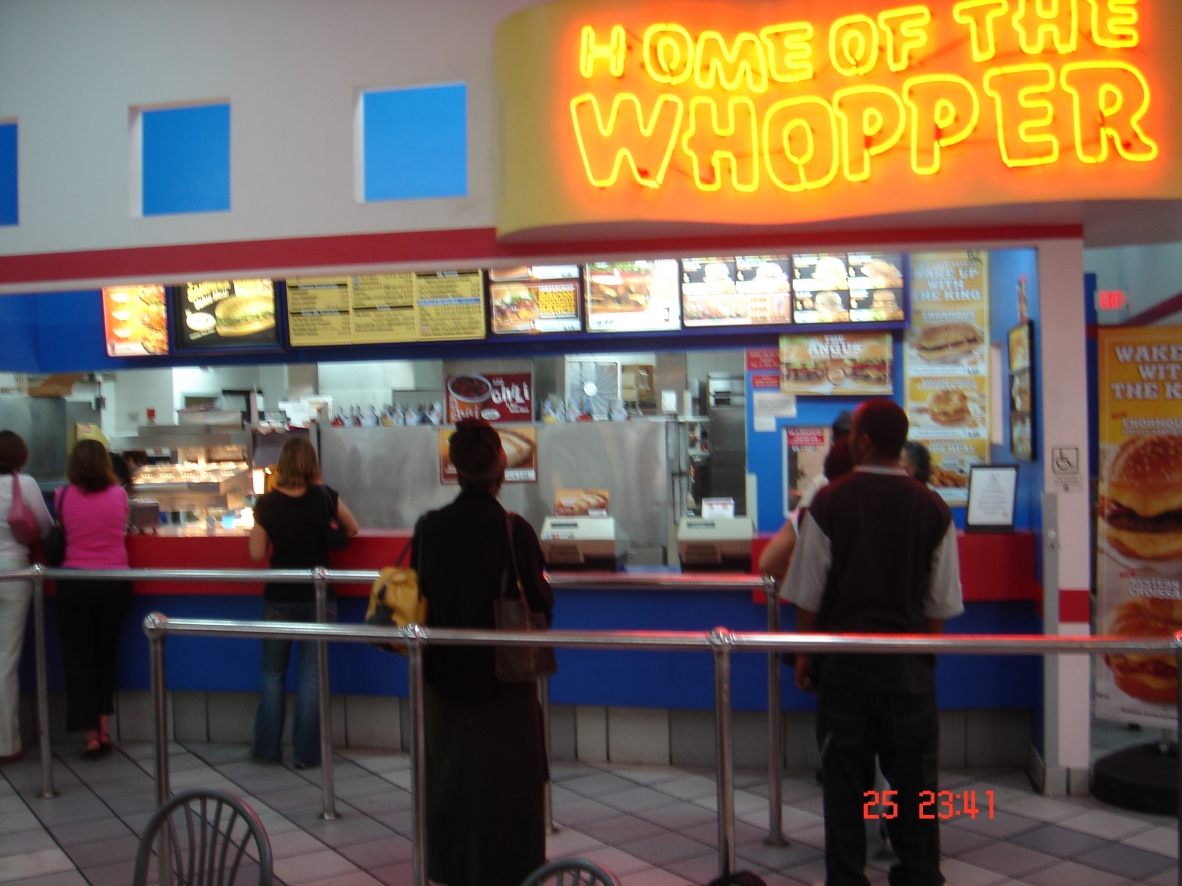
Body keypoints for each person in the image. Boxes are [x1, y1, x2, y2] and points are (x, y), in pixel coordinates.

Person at [781, 400, 963, 886]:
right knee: (915, 791)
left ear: (861, 440)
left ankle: (847, 878)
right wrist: (924, 660)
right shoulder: (934, 507)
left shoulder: (829, 501)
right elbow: (940, 602)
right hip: (909, 675)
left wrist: (805, 654)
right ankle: (919, 875)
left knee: (845, 789)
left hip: (845, 673)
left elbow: (809, 593)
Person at [411, 418, 552, 886]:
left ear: (454, 467)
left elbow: (418, 592)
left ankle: (450, 871)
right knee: (509, 786)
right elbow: (540, 604)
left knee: (451, 782)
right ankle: (513, 874)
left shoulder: (429, 527)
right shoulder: (514, 530)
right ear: (501, 464)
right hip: (504, 683)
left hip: (441, 680)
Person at [248, 437, 358, 768]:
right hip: (318, 597)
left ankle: (267, 750)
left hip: (279, 597)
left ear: (281, 465)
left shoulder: (267, 504)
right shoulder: (325, 497)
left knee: (272, 674)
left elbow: (256, 553)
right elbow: (353, 529)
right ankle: (306, 755)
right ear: (312, 465)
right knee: (311, 677)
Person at [55, 440, 133, 759]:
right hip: (114, 582)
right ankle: (104, 728)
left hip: (73, 582)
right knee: (105, 654)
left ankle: (90, 735)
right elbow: (123, 529)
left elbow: (60, 530)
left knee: (79, 659)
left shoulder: (62, 495)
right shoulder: (119, 495)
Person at [0, 432, 53, 764]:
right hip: (14, 573)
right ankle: (6, 744)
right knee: (5, 661)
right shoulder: (25, 484)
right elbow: (46, 529)